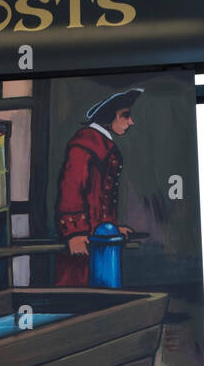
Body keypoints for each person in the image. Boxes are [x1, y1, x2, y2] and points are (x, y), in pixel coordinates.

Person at [53, 88, 142, 288]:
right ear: (108, 117)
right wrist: (74, 232)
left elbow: (101, 199)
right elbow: (71, 191)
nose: (131, 122)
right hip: (83, 241)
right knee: (81, 298)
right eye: (125, 116)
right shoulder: (84, 146)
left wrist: (111, 227)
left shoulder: (101, 145)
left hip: (97, 240)